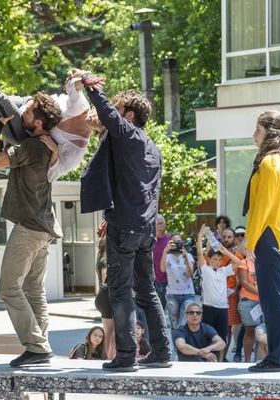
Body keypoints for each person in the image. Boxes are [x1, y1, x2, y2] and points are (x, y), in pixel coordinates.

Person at [79, 75, 170, 372]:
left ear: (129, 116)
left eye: (119, 109)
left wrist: (91, 87)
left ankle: (127, 355)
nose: (114, 114)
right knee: (146, 291)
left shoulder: (128, 134)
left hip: (126, 228)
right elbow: (140, 190)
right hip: (144, 229)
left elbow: (106, 115)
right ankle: (161, 352)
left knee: (119, 292)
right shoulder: (150, 147)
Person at [0, 93, 63, 367]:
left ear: (39, 123)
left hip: (29, 229)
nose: (21, 114)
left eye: (27, 112)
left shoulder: (31, 146)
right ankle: (42, 345)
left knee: (8, 288)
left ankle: (37, 347)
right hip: (45, 229)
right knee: (33, 289)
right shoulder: (46, 147)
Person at [242, 110, 280, 372]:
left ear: (270, 133)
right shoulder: (278, 160)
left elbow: (261, 208)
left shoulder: (270, 162)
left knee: (275, 299)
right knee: (277, 298)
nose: (254, 134)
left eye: (258, 130)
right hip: (274, 236)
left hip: (269, 237)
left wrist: (250, 241)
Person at [196, 226, 241, 361]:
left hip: (222, 307)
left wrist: (224, 251)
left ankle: (220, 360)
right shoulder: (205, 269)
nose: (217, 262)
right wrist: (200, 236)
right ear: (209, 260)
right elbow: (199, 254)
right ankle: (207, 358)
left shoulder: (224, 271)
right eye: (214, 259)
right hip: (209, 306)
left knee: (222, 335)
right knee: (208, 334)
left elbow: (238, 261)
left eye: (219, 260)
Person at [161, 233, 195, 333]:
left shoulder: (188, 256)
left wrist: (185, 258)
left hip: (188, 294)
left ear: (183, 243)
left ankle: (183, 347)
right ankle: (176, 348)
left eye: (179, 242)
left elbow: (190, 273)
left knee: (183, 323)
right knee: (175, 325)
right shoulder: (167, 257)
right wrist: (165, 251)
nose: (176, 244)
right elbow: (162, 269)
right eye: (174, 242)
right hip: (172, 295)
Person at [94, 234, 115, 359]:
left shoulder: (100, 257)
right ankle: (107, 356)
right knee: (110, 332)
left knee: (108, 331)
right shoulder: (106, 260)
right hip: (106, 297)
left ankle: (107, 355)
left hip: (102, 297)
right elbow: (105, 278)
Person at [237, 257, 261, 362]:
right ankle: (246, 361)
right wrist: (261, 293)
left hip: (264, 303)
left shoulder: (267, 260)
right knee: (250, 330)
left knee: (262, 332)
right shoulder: (245, 262)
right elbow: (244, 283)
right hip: (248, 301)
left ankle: (259, 360)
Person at [153, 214, 170, 310]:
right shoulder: (151, 241)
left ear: (165, 224)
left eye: (161, 223)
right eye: (156, 224)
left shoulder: (171, 239)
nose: (159, 226)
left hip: (171, 281)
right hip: (156, 281)